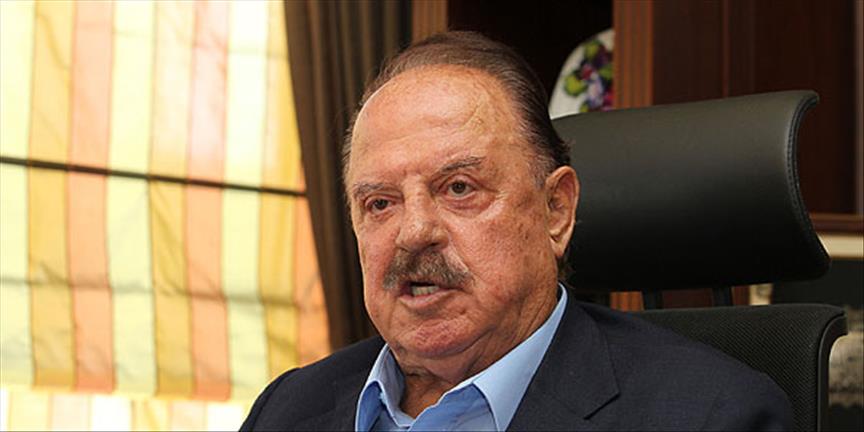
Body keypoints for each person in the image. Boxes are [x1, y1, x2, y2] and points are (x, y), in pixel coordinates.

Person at [241, 31, 792, 431]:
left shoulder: (713, 415)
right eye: (379, 203)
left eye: (459, 188)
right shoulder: (287, 410)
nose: (413, 232)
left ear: (556, 210)